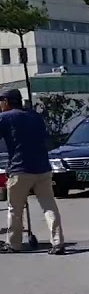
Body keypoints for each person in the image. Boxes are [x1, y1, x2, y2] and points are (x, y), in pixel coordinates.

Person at [0, 89, 65, 254]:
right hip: (42, 168)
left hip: (20, 169)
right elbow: (44, 138)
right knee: (49, 206)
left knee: (15, 208)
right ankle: (57, 242)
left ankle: (14, 243)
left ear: (7, 101)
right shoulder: (34, 116)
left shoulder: (5, 117)